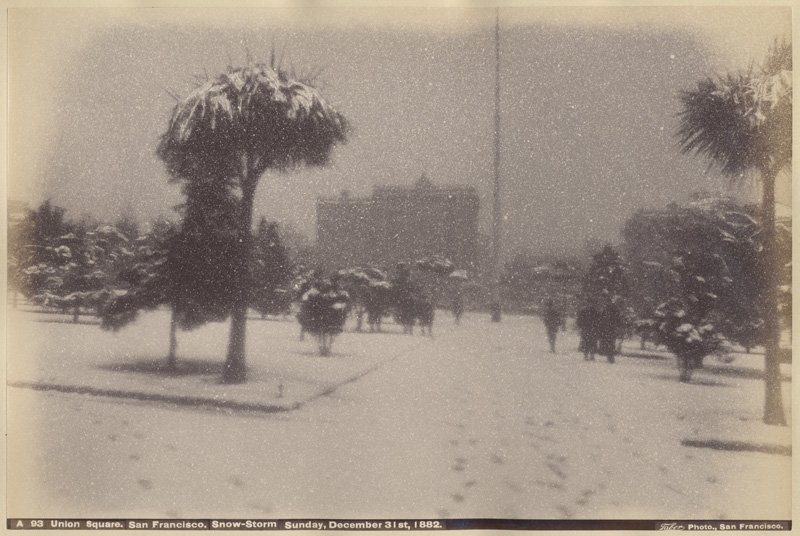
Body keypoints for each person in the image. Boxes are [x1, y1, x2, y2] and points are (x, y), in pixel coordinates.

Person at [598, 299, 622, 363]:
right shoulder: (615, 309)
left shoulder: (606, 309)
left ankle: (610, 357)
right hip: (611, 328)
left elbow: (601, 319)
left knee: (608, 342)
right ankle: (610, 357)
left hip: (607, 328)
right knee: (611, 342)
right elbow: (618, 319)